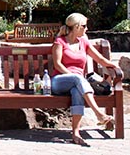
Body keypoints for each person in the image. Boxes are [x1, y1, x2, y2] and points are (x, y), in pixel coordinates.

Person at [51, 12, 119, 146]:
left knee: (77, 91)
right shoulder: (60, 42)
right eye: (84, 26)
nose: (86, 29)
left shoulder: (84, 42)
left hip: (78, 84)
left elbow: (100, 59)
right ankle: (98, 113)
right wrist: (73, 76)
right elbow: (57, 64)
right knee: (77, 79)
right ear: (76, 27)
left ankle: (75, 133)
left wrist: (114, 66)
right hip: (59, 81)